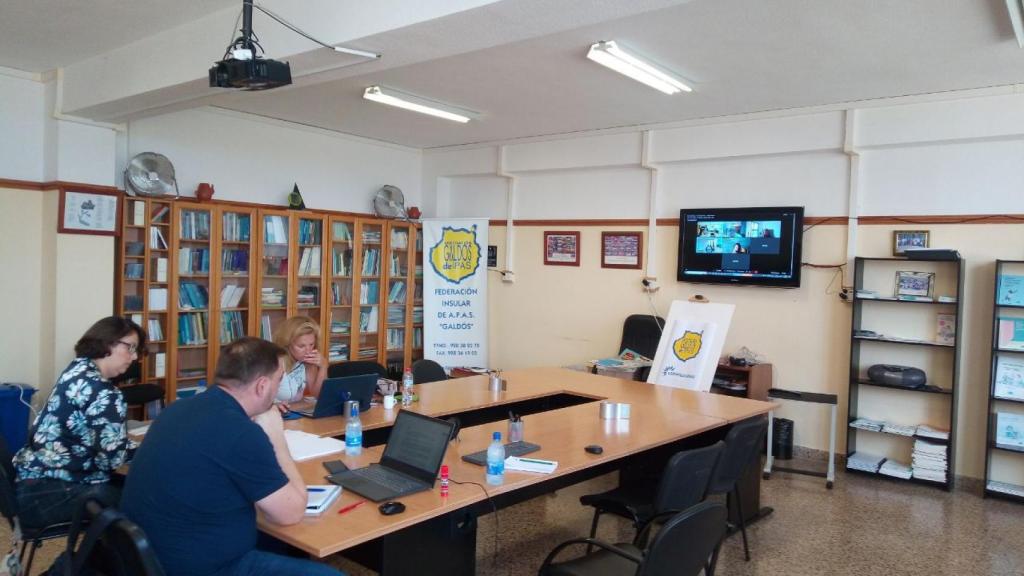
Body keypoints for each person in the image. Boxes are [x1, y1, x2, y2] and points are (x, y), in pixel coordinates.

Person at [120, 337, 343, 576]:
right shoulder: (240, 432)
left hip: (143, 553)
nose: (279, 388)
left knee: (276, 540)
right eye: (279, 380)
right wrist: (276, 437)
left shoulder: (177, 409)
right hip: (201, 566)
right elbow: (291, 513)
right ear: (261, 386)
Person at [13, 316, 145, 530]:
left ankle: (91, 560)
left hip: (31, 484)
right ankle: (100, 562)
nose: (135, 356)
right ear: (107, 342)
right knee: (145, 501)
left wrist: (131, 447)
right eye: (130, 347)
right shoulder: (103, 392)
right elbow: (112, 461)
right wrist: (147, 450)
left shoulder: (77, 370)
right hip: (52, 495)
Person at [272, 315, 326, 404]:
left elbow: (319, 395)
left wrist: (323, 366)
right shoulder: (276, 362)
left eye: (311, 344)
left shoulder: (307, 361)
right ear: (287, 344)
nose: (308, 351)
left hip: (294, 411)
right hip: (274, 414)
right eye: (301, 346)